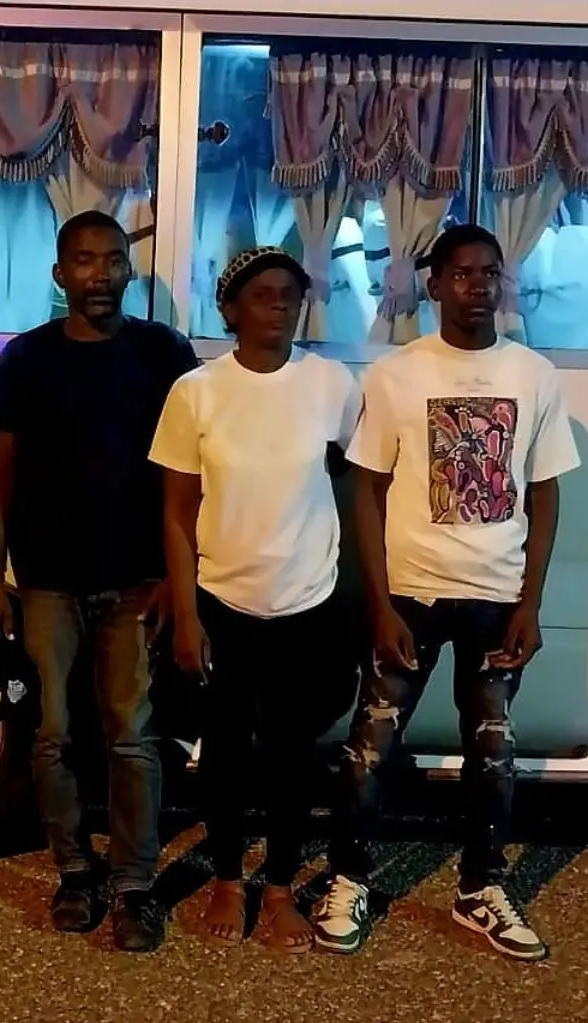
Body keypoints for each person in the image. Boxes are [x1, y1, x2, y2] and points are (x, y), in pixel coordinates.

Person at [322, 223, 579, 962]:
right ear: (434, 286)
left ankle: (480, 890)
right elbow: (366, 490)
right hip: (411, 594)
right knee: (371, 747)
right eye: (462, 274)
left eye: (489, 273)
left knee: (493, 752)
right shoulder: (397, 375)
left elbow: (545, 492)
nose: (478, 286)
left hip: (496, 598)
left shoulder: (534, 375)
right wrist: (379, 604)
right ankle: (348, 879)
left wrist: (530, 604)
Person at [0, 211, 198, 952]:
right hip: (47, 580)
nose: (99, 274)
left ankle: (134, 884)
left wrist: (175, 575)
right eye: (84, 260)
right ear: (59, 273)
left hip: (137, 578)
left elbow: (190, 474)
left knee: (132, 734)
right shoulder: (27, 359)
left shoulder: (163, 352)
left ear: (128, 270)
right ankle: (74, 870)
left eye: (112, 260)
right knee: (52, 733)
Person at [150, 247, 363, 954]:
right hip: (222, 599)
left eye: (290, 295)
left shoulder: (331, 384)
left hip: (308, 600)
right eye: (263, 294)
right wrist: (186, 615)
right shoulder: (197, 392)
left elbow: (354, 481)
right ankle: (225, 878)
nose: (279, 306)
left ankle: (277, 886)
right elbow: (177, 513)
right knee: (225, 753)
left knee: (293, 753)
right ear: (230, 308)